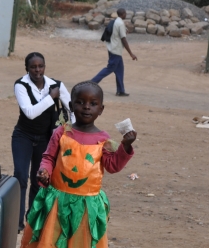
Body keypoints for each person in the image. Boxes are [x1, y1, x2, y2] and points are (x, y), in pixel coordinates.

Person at [20, 80, 136, 248]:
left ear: (101, 109)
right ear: (71, 105)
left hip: (86, 206)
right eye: (80, 102)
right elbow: (49, 157)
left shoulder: (103, 139)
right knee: (52, 239)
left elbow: (113, 166)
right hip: (57, 203)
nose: (86, 107)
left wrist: (125, 146)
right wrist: (44, 171)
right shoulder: (62, 132)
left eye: (93, 103)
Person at [12, 52, 73, 233]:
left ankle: (33, 218)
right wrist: (50, 97)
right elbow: (30, 112)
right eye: (33, 67)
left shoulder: (57, 85)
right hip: (23, 136)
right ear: (27, 68)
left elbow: (72, 107)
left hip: (46, 138)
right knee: (20, 177)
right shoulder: (21, 85)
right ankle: (16, 221)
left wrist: (74, 129)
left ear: (44, 67)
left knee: (39, 179)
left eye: (40, 66)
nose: (37, 70)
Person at [92, 8, 137, 96]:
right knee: (110, 68)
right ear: (123, 14)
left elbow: (118, 33)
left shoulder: (116, 21)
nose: (126, 14)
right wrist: (131, 54)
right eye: (125, 13)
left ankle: (120, 91)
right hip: (115, 50)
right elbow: (124, 39)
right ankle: (92, 83)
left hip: (114, 49)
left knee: (120, 70)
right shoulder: (120, 23)